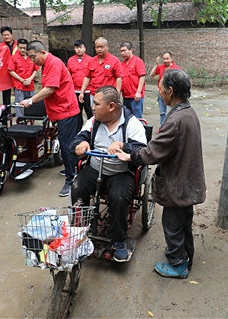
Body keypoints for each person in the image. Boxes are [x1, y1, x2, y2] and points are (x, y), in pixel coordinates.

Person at [115, 69, 205, 277]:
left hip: (179, 182)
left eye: (162, 88)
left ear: (171, 91)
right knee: (183, 222)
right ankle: (185, 255)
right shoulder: (187, 112)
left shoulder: (175, 120)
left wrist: (131, 156)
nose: (160, 92)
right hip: (188, 178)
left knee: (172, 224)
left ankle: (178, 264)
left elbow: (153, 152)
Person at [71, 86, 147, 262]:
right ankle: (81, 228)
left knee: (119, 197)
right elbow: (78, 138)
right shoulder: (93, 122)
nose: (93, 107)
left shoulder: (132, 124)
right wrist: (80, 145)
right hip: (95, 169)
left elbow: (142, 151)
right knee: (77, 186)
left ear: (111, 106)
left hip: (120, 172)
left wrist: (123, 146)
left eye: (97, 104)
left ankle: (118, 239)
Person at [19, 40, 80, 198]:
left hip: (66, 110)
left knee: (66, 144)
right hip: (58, 110)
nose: (33, 61)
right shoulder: (45, 65)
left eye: (33, 57)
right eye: (30, 58)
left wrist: (31, 101)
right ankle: (70, 166)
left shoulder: (53, 63)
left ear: (43, 52)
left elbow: (49, 89)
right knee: (64, 142)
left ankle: (71, 177)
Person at [78, 37, 122, 107]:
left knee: (108, 115)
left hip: (108, 96)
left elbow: (118, 78)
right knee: (95, 114)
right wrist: (82, 92)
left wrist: (117, 93)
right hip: (94, 94)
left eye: (101, 47)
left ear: (107, 47)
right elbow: (87, 77)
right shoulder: (91, 61)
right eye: (97, 47)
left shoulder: (115, 61)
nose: (99, 49)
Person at [8, 38, 40, 118]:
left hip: (30, 86)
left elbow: (35, 69)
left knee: (30, 104)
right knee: (20, 105)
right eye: (20, 48)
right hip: (19, 86)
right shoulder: (14, 58)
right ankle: (20, 121)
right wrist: (22, 80)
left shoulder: (31, 57)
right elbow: (11, 71)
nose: (22, 50)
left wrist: (30, 79)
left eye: (24, 48)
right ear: (17, 47)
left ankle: (30, 121)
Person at [67, 40, 93, 132]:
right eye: (77, 48)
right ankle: (78, 131)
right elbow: (68, 75)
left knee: (89, 111)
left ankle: (91, 130)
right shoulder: (70, 60)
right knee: (77, 113)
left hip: (88, 91)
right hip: (75, 91)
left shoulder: (90, 60)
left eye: (81, 47)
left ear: (84, 48)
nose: (79, 50)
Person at [149, 51, 182, 125]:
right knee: (162, 112)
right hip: (161, 93)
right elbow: (151, 74)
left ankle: (172, 126)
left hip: (172, 94)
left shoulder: (176, 68)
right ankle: (162, 127)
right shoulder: (161, 67)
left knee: (173, 111)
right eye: (164, 59)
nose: (165, 61)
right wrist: (156, 65)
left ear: (171, 58)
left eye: (167, 59)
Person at [0, 26, 18, 107]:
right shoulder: (0, 46)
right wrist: (2, 52)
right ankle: (7, 111)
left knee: (18, 91)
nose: (6, 37)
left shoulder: (18, 45)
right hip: (5, 73)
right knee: (6, 93)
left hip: (17, 72)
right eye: (4, 35)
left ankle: (19, 110)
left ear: (12, 35)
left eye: (8, 34)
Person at [119, 41, 146, 118]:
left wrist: (138, 92)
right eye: (121, 51)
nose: (122, 53)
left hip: (135, 97)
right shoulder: (122, 64)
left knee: (137, 118)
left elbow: (142, 76)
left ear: (131, 50)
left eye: (124, 51)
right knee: (126, 117)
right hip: (126, 96)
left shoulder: (138, 61)